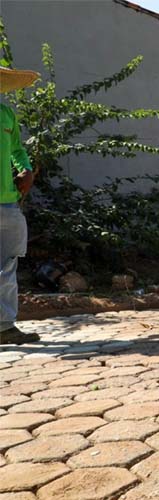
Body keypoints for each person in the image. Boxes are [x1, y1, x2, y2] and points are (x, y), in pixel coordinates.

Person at [1, 66, 40, 345]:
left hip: (7, 201)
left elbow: (17, 150)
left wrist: (25, 169)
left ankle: (4, 327)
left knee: (7, 265)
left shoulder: (6, 114)